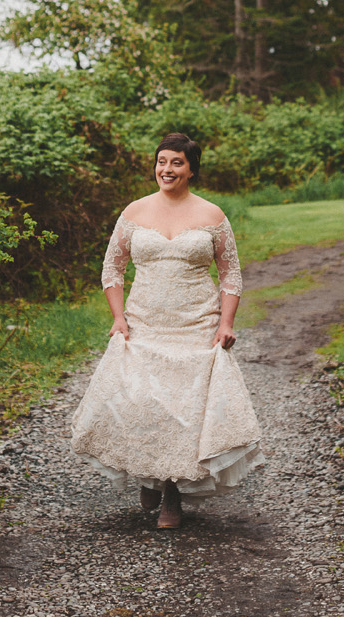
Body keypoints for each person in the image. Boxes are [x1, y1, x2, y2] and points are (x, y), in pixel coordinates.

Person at [70, 132, 265, 529]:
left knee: (185, 410)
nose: (167, 169)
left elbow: (231, 275)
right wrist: (119, 317)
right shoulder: (134, 212)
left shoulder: (213, 216)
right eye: (162, 161)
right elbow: (112, 268)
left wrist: (226, 323)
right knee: (143, 401)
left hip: (197, 321)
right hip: (145, 320)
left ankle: (172, 495)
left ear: (191, 169)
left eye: (176, 162)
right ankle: (150, 475)